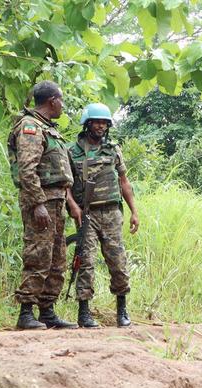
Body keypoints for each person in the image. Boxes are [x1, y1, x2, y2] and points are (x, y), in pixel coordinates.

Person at [7, 80, 77, 330]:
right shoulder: (30, 127)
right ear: (52, 101)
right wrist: (38, 203)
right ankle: (26, 312)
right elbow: (27, 170)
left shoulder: (49, 129)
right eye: (62, 100)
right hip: (41, 201)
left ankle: (47, 310)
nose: (63, 105)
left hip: (56, 201)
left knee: (57, 258)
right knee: (38, 254)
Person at [67, 103, 139, 328]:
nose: (101, 126)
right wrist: (73, 206)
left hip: (111, 213)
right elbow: (65, 186)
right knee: (85, 262)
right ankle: (84, 313)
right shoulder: (73, 152)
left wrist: (134, 211)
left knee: (118, 262)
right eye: (97, 122)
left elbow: (124, 182)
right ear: (87, 124)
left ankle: (122, 310)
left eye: (104, 123)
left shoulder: (114, 150)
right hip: (87, 214)